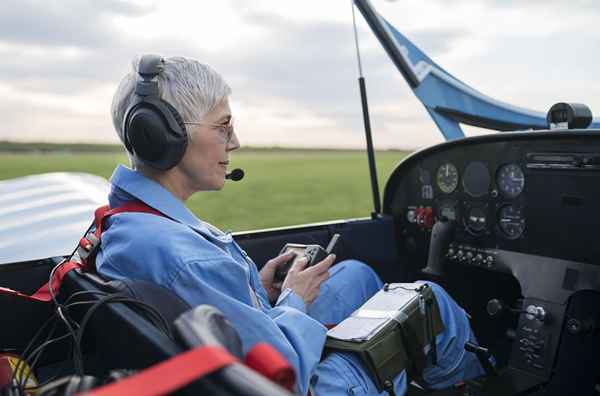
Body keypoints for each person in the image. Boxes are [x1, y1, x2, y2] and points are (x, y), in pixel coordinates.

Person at [96, 55, 485, 395]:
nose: (235, 142)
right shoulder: (185, 258)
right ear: (164, 136)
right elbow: (286, 378)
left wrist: (256, 292)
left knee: (355, 274)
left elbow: (212, 311)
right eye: (223, 126)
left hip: (219, 366)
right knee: (427, 299)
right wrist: (293, 299)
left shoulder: (132, 223)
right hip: (284, 383)